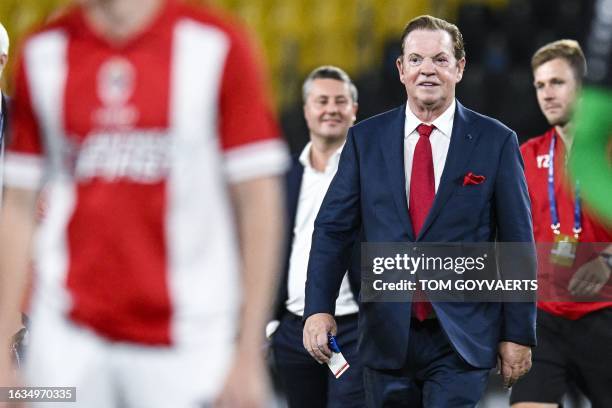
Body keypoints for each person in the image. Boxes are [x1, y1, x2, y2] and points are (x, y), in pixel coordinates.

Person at [0, 0, 288, 407]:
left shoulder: (216, 47)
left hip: (187, 341)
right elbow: (17, 206)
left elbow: (258, 200)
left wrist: (246, 353)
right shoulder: (43, 54)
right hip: (67, 338)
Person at [302, 15, 536, 407]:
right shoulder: (365, 140)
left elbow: (516, 243)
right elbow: (333, 230)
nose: (427, 69)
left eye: (440, 59)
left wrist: (518, 333)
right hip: (385, 335)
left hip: (461, 340)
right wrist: (318, 308)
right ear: (401, 69)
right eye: (416, 59)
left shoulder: (496, 141)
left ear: (459, 68)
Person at [510, 39, 612, 408]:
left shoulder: (606, 151)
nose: (546, 94)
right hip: (545, 318)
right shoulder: (524, 156)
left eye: (557, 83)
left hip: (604, 314)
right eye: (539, 85)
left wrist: (606, 260)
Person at [270, 65, 363, 408]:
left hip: (353, 329)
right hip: (292, 330)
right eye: (321, 101)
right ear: (306, 109)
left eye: (341, 101)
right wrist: (272, 324)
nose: (331, 109)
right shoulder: (284, 176)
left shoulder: (373, 171)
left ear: (355, 110)